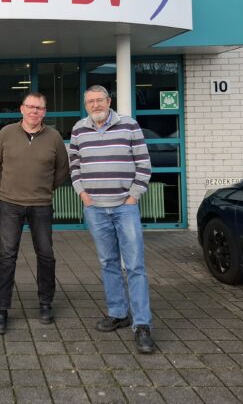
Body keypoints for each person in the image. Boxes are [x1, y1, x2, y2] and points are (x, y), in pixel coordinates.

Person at [68, 85, 155, 354]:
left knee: (135, 266)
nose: (95, 105)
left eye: (99, 100)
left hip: (124, 207)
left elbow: (144, 164)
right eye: (90, 102)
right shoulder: (79, 129)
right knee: (108, 263)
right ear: (85, 105)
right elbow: (74, 165)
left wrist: (133, 196)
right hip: (95, 208)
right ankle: (118, 313)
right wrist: (82, 194)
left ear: (109, 101)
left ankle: (142, 325)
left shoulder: (129, 125)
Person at [0, 92, 69, 334]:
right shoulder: (6, 133)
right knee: (7, 257)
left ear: (45, 112)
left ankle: (45, 304)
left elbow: (62, 169)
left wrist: (46, 189)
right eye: (30, 107)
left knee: (46, 255)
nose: (35, 111)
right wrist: (6, 188)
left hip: (41, 204)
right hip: (10, 204)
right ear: (22, 109)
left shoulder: (54, 137)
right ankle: (1, 310)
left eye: (39, 108)